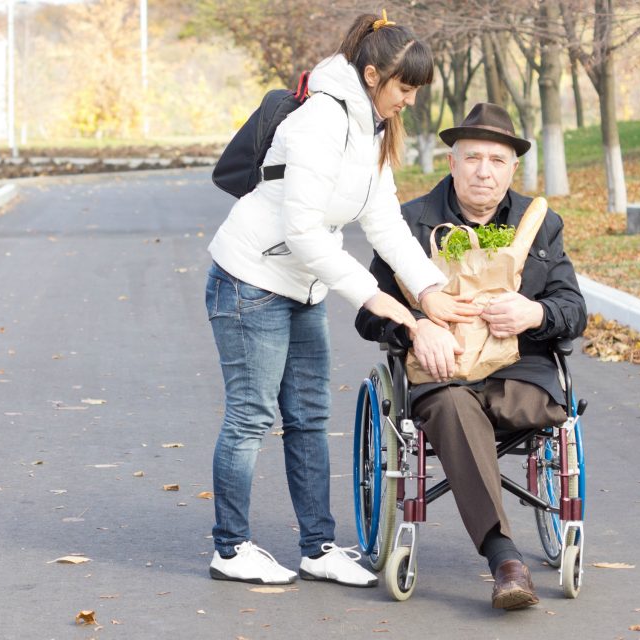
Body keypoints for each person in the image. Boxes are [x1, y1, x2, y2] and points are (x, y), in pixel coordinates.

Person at [204, 12, 475, 587]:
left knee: (308, 418)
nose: (410, 101)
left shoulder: (369, 125)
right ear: (372, 74)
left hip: (301, 283)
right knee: (251, 417)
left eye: (416, 90)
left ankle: (317, 547)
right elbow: (302, 233)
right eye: (405, 87)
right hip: (249, 279)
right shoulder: (322, 120)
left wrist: (429, 289)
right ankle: (230, 548)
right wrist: (387, 304)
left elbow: (383, 220)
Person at [354, 102, 587, 609]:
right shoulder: (409, 223)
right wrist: (416, 327)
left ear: (512, 169)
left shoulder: (538, 223)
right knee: (457, 410)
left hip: (519, 369)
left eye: (496, 160)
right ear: (452, 162)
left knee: (499, 410)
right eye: (473, 158)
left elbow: (573, 308)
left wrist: (533, 315)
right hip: (444, 374)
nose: (484, 170)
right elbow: (368, 313)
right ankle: (505, 558)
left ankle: (502, 542)